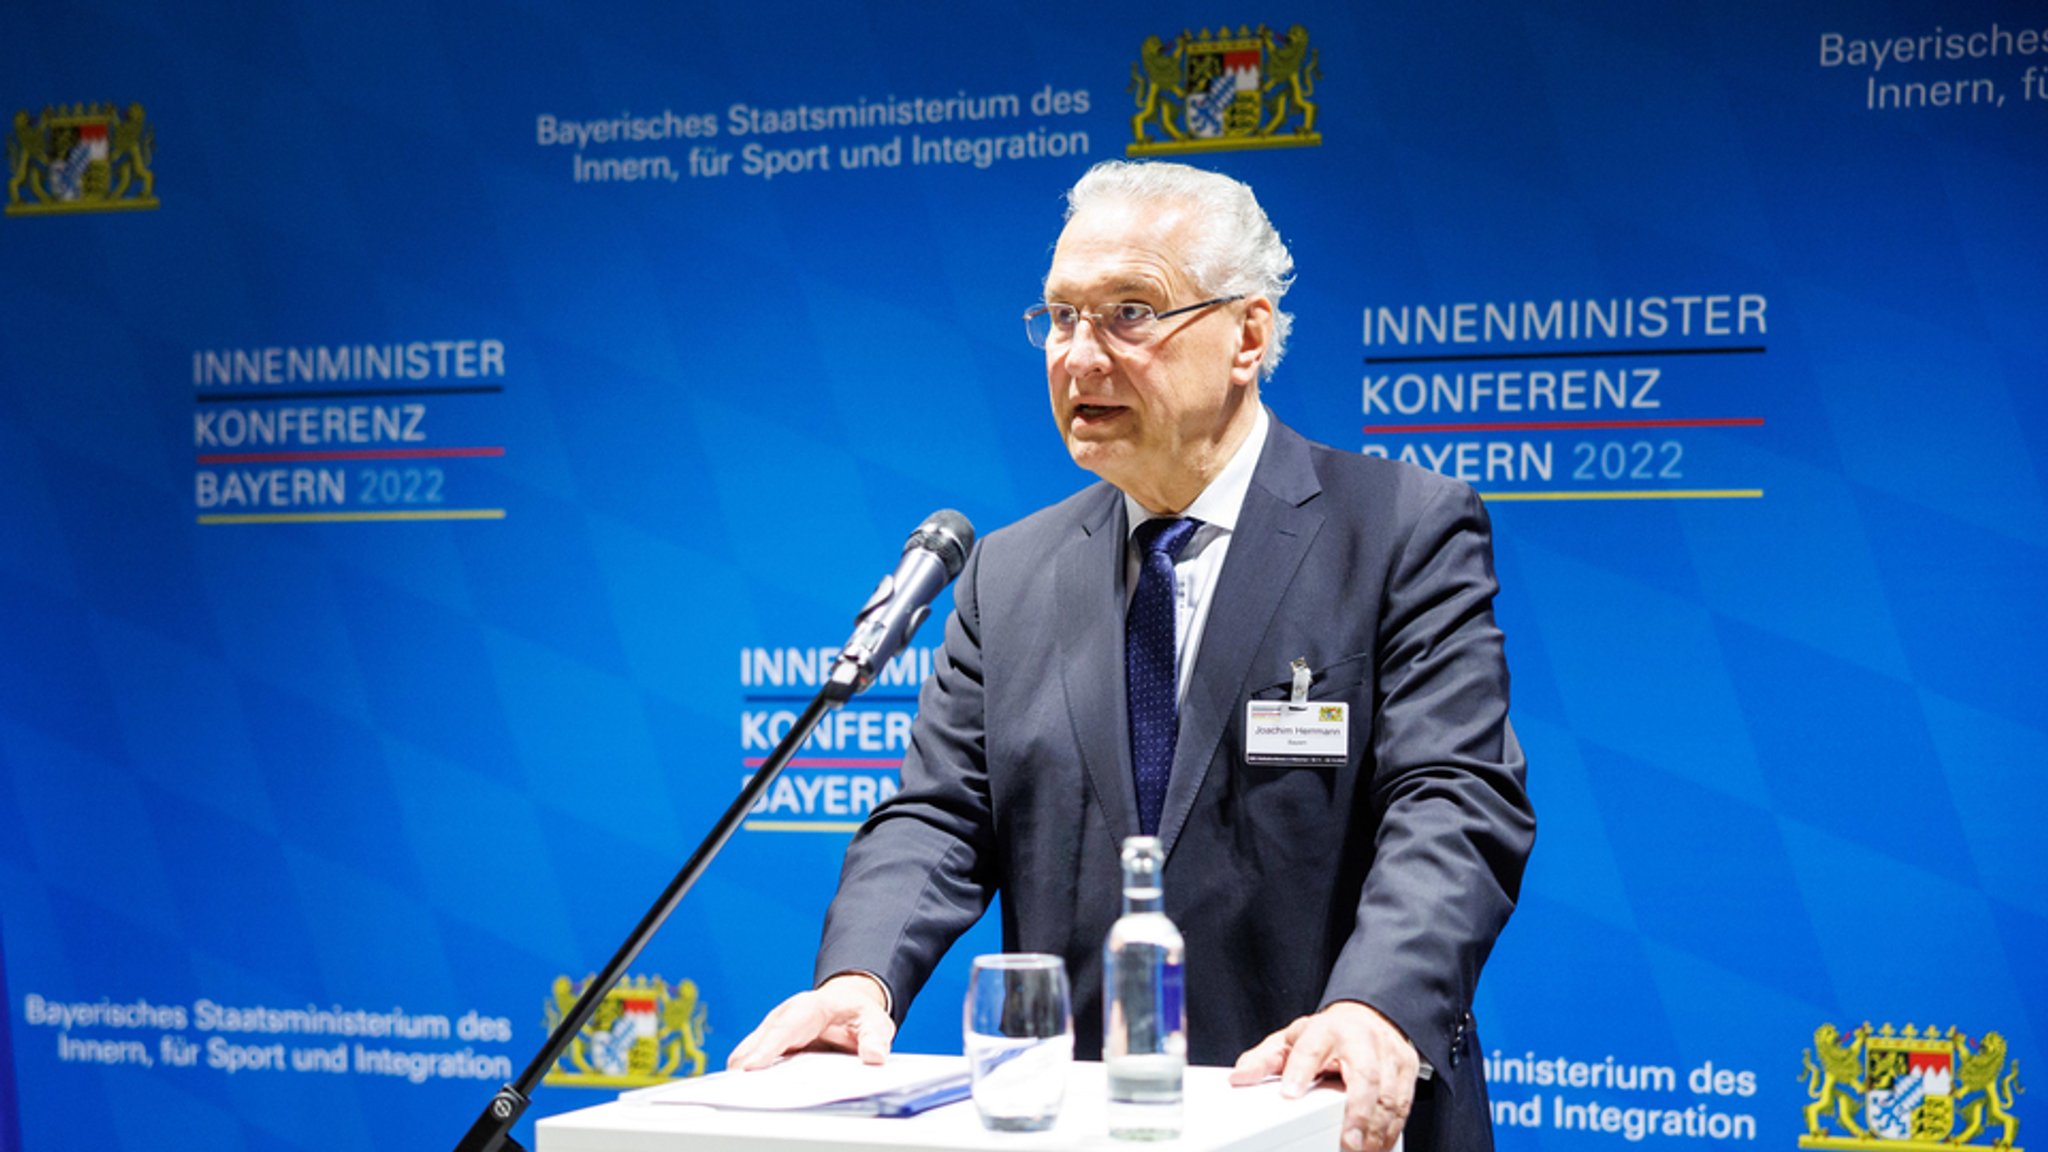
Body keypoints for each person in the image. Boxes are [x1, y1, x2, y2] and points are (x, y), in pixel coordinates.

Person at [729, 159, 1535, 1152]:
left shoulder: (1398, 530)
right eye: (1061, 318)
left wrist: (1373, 1005)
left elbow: (1453, 800)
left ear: (1245, 334)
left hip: (1319, 1108)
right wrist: (858, 977)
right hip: (1086, 1127)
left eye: (1128, 313)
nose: (1080, 355)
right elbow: (938, 816)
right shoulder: (1005, 575)